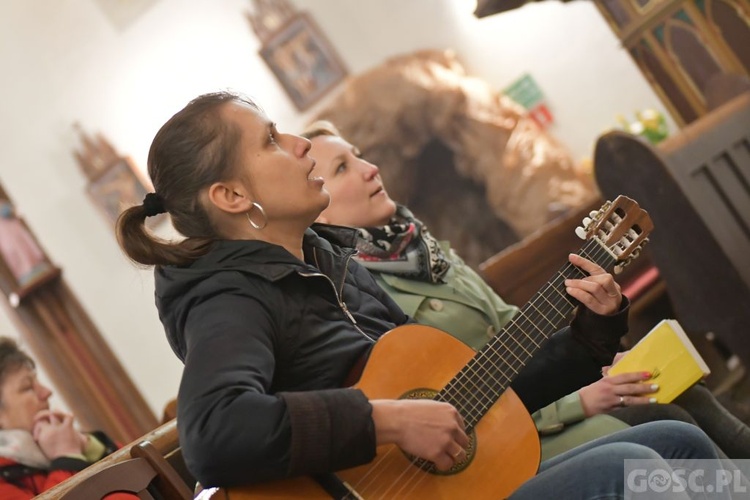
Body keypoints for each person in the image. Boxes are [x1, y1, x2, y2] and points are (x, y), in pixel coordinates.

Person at [116, 91, 725, 499]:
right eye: (272, 141)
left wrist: (592, 333)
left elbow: (470, 394)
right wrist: (384, 420)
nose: (301, 145)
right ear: (229, 196)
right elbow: (212, 432)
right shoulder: (230, 296)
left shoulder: (334, 263)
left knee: (678, 443)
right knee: (632, 469)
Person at [302, 119, 750, 460]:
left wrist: (596, 351)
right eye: (344, 167)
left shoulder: (419, 246)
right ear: (317, 213)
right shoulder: (361, 296)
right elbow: (444, 405)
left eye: (359, 154)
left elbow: (513, 329)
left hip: (547, 392)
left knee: (671, 387)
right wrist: (579, 401)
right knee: (665, 421)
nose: (369, 168)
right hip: (505, 437)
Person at [0, 337, 122, 499]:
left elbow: (144, 476)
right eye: (28, 387)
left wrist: (88, 446)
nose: (47, 392)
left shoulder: (55, 440)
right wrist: (66, 458)